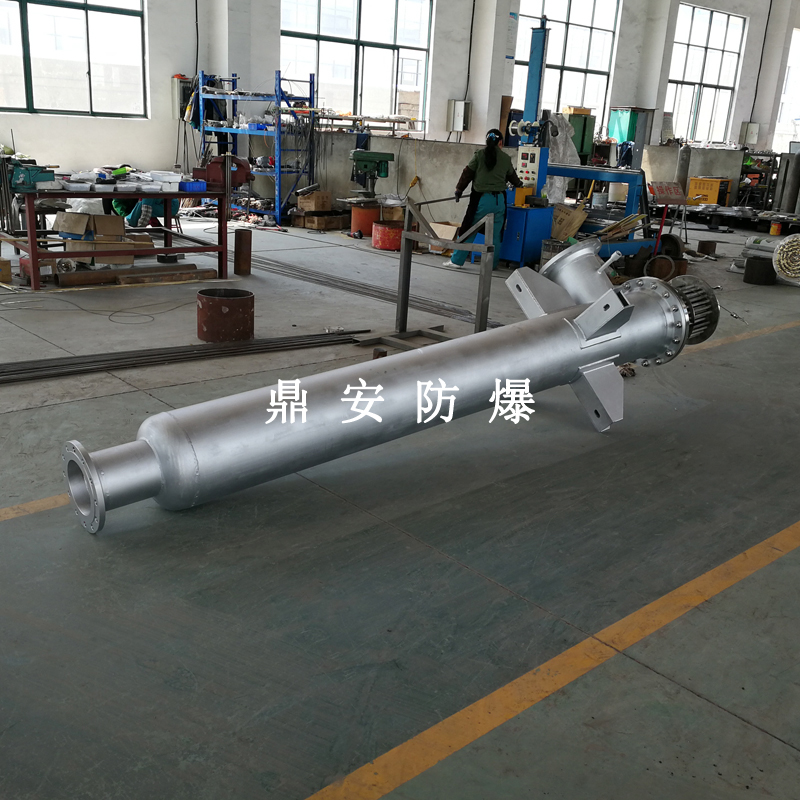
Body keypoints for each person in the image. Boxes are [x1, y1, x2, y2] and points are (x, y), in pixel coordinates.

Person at [445, 129, 523, 270]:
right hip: (499, 201)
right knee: (495, 235)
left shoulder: (479, 155)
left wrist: (459, 190)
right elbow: (514, 179)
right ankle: (491, 265)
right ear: (500, 142)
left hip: (481, 201)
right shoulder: (505, 158)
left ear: (486, 141)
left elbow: (467, 173)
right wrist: (521, 185)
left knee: (469, 230)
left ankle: (456, 261)